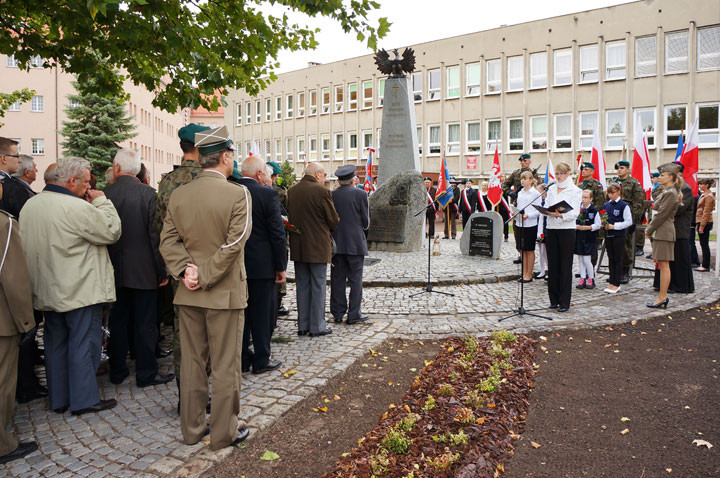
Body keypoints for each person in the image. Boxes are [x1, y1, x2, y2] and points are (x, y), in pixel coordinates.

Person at [159, 125, 251, 450]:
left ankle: (192, 429)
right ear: (225, 157)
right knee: (226, 365)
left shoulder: (179, 194)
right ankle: (223, 432)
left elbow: (167, 240)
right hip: (223, 293)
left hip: (188, 292)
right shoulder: (238, 193)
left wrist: (187, 272)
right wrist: (206, 273)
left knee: (192, 363)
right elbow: (235, 242)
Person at [20, 157, 121, 415]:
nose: (89, 187)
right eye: (86, 182)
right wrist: (101, 201)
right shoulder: (75, 207)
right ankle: (84, 400)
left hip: (46, 288)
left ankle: (59, 398)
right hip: (80, 289)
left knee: (55, 344)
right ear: (72, 181)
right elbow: (111, 230)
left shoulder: (31, 205)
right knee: (83, 343)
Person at [104, 149, 174, 388]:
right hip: (144, 270)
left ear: (116, 168)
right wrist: (161, 269)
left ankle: (118, 370)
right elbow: (156, 236)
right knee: (146, 323)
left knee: (118, 320)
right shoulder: (148, 194)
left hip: (112, 269)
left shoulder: (104, 195)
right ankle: (146, 373)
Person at [153, 123, 211, 406]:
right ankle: (205, 394)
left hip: (179, 267)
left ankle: (185, 396)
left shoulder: (168, 181)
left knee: (183, 332)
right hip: (210, 266)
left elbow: (158, 226)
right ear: (201, 148)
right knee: (210, 331)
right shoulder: (211, 180)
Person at [229, 156, 286, 375]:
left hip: (236, 263)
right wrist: (280, 266)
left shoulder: (230, 191)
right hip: (262, 266)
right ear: (260, 174)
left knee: (240, 313)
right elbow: (277, 233)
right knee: (262, 314)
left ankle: (242, 358)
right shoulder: (267, 194)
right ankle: (261, 359)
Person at [0, 145, 46, 404]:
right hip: (15, 264)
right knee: (22, 332)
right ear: (4, 158)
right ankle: (25, 386)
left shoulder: (13, 186)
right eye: (16, 155)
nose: (20, 160)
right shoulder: (14, 189)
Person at [0, 174, 39, 464]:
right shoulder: (4, 224)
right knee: (3, 382)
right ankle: (3, 444)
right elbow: (13, 279)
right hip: (2, 321)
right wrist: (27, 322)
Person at [287, 163, 339, 337]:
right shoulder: (322, 191)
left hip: (299, 246)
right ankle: (317, 326)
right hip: (317, 246)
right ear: (317, 174)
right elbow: (333, 220)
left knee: (302, 286)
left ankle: (303, 325)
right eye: (324, 174)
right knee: (318, 285)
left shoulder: (292, 191)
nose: (325, 177)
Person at [330, 165, 370, 325]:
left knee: (337, 280)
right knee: (355, 280)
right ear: (353, 179)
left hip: (337, 243)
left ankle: (338, 313)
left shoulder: (331, 195)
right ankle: (354, 314)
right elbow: (366, 221)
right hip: (355, 243)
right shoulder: (361, 194)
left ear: (339, 180)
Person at [542, 162, 582, 312]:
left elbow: (575, 213)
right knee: (552, 265)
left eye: (561, 174)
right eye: (557, 173)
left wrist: (560, 215)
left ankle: (564, 301)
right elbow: (546, 204)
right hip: (552, 228)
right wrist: (547, 211)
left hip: (566, 229)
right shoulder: (552, 189)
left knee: (565, 266)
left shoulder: (575, 191)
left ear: (568, 174)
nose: (558, 176)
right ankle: (553, 299)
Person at [645, 164, 682, 309]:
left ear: (671, 177)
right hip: (661, 231)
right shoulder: (667, 191)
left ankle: (662, 297)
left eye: (663, 175)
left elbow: (661, 214)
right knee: (662, 264)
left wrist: (649, 229)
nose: (660, 177)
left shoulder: (670, 193)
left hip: (664, 231)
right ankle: (662, 296)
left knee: (664, 265)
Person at [610, 160, 643, 283]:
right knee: (613, 247)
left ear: (628, 169)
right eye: (618, 168)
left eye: (622, 168)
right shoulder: (613, 182)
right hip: (613, 218)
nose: (619, 170)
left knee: (625, 247)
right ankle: (615, 272)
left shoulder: (634, 183)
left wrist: (634, 220)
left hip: (626, 218)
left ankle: (625, 272)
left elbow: (638, 203)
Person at [267, 160, 290, 317]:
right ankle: (279, 303)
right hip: (279, 232)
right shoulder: (279, 192)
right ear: (275, 175)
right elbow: (287, 213)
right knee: (280, 266)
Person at [601, 183, 633, 294]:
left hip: (618, 235)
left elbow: (629, 221)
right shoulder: (606, 205)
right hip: (608, 234)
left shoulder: (624, 205)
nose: (610, 195)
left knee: (618, 258)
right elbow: (604, 217)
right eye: (609, 193)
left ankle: (617, 282)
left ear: (619, 192)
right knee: (611, 258)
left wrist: (615, 226)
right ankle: (612, 280)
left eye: (613, 193)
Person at [514, 172, 541, 283]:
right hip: (520, 223)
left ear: (531, 180)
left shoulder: (535, 193)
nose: (522, 181)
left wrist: (528, 215)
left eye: (525, 179)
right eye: (521, 179)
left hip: (530, 224)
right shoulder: (520, 193)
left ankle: (529, 274)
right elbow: (519, 207)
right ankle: (524, 273)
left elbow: (538, 210)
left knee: (529, 250)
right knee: (522, 249)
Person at [575, 190, 601, 290]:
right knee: (580, 259)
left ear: (591, 199)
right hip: (579, 236)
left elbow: (598, 224)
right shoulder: (578, 210)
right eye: (582, 197)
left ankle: (591, 278)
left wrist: (588, 227)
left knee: (587, 259)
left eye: (586, 197)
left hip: (589, 238)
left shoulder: (594, 211)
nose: (583, 200)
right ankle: (582, 278)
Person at [695, 178, 715, 272]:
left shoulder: (709, 196)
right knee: (702, 244)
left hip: (706, 222)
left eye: (701, 184)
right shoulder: (704, 195)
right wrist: (698, 224)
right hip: (701, 221)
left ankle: (705, 265)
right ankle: (704, 264)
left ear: (707, 185)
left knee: (704, 244)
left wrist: (702, 225)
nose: (700, 186)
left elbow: (706, 212)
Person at [535, 184, 549, 280]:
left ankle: (548, 270)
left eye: (539, 191)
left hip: (546, 228)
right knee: (541, 250)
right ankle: (542, 270)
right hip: (540, 228)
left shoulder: (547, 201)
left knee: (547, 252)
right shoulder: (540, 202)